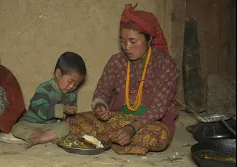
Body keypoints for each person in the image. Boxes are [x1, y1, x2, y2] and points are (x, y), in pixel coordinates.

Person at [69, 4, 179, 155]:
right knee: (75, 121)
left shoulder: (165, 64)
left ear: (149, 39)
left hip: (150, 123)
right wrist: (100, 107)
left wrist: (132, 127)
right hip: (117, 118)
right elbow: (101, 93)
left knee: (158, 136)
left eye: (133, 41)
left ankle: (111, 139)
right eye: (122, 41)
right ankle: (121, 141)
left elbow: (159, 109)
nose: (127, 47)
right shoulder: (116, 61)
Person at [12, 51, 86, 148]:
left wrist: (71, 116)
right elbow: (41, 111)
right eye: (70, 81)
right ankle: (43, 136)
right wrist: (62, 109)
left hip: (51, 126)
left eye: (77, 84)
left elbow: (71, 107)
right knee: (16, 128)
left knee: (65, 128)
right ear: (58, 73)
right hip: (31, 123)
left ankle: (39, 138)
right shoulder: (44, 88)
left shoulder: (72, 93)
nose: (72, 86)